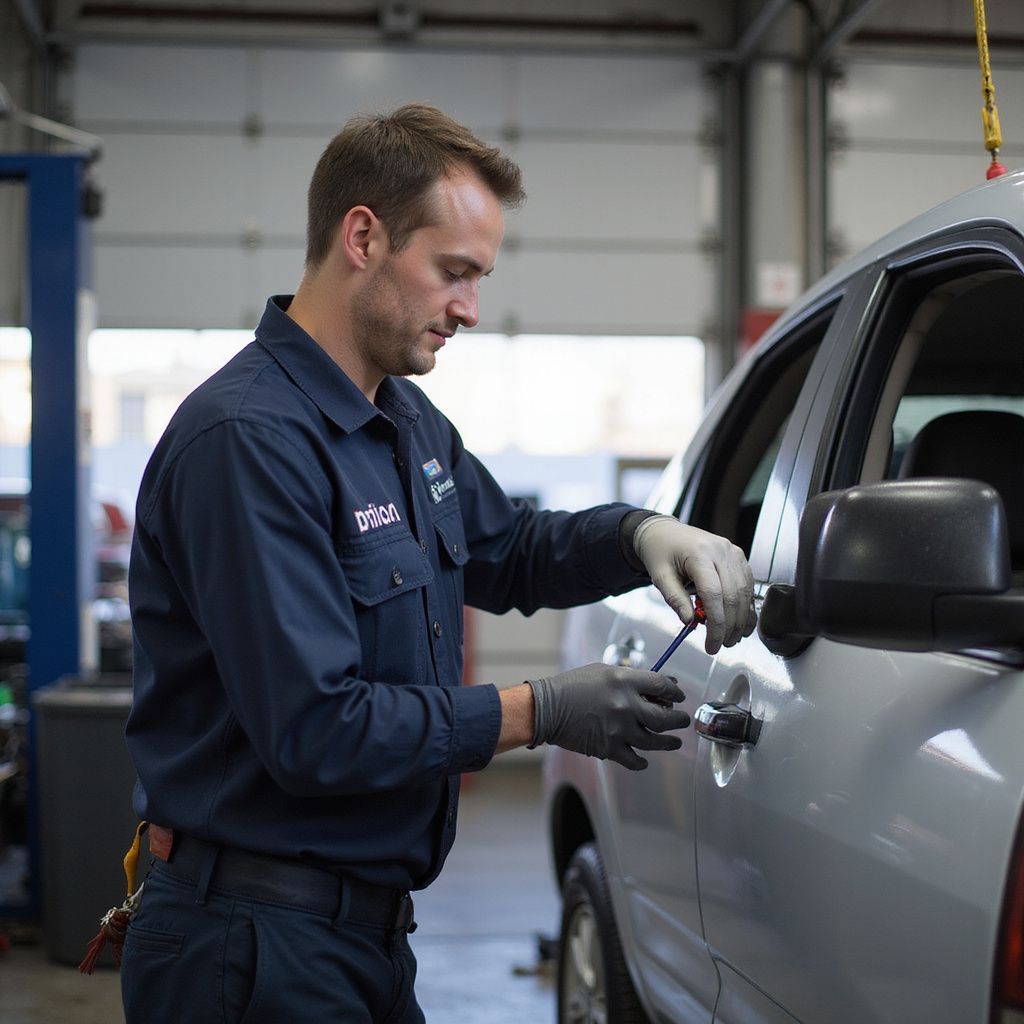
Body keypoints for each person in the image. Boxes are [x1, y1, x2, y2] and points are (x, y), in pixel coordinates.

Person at [119, 102, 756, 1023]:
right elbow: (316, 727)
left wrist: (641, 534)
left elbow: (511, 550)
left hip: (362, 936)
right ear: (364, 237)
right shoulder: (248, 440)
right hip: (250, 947)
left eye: (480, 278)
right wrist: (542, 709)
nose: (469, 309)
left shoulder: (403, 421)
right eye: (453, 273)